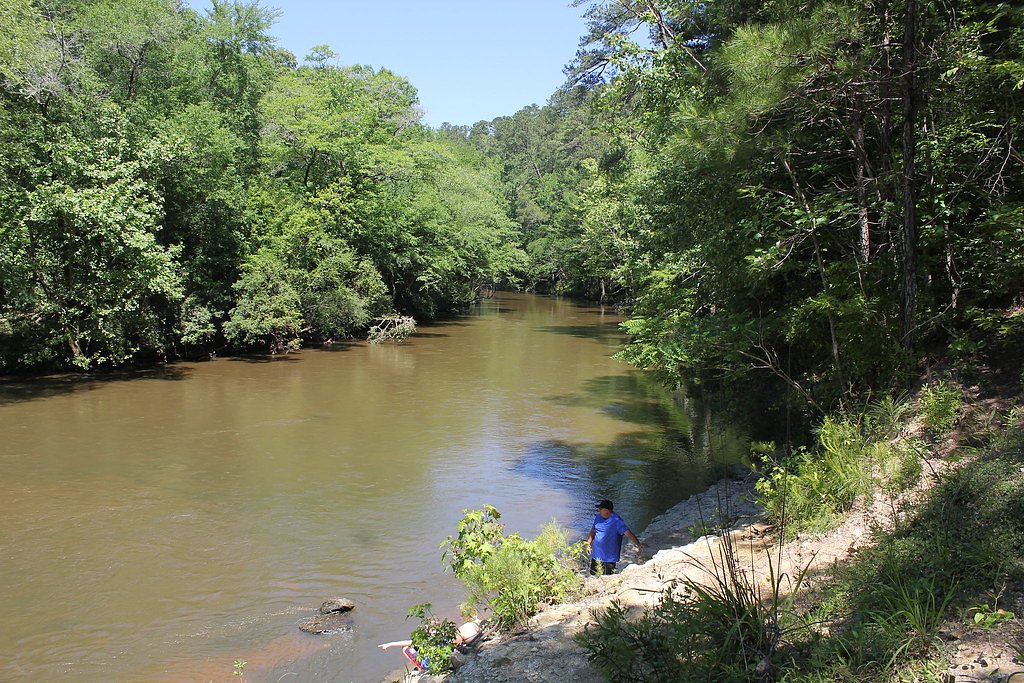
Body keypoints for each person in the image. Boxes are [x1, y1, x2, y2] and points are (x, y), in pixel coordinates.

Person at [378, 620, 482, 671]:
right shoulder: (445, 635)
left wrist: (389, 644)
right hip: (445, 656)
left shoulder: (427, 640)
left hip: (430, 664)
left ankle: (420, 667)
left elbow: (407, 642)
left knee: (405, 648)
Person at [587, 499, 644, 576]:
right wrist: (588, 544)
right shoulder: (598, 517)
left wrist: (638, 544)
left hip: (609, 558)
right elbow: (593, 531)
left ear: (607, 511)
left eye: (600, 509)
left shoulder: (617, 521)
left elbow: (628, 533)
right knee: (593, 576)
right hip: (596, 556)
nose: (598, 510)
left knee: (606, 579)